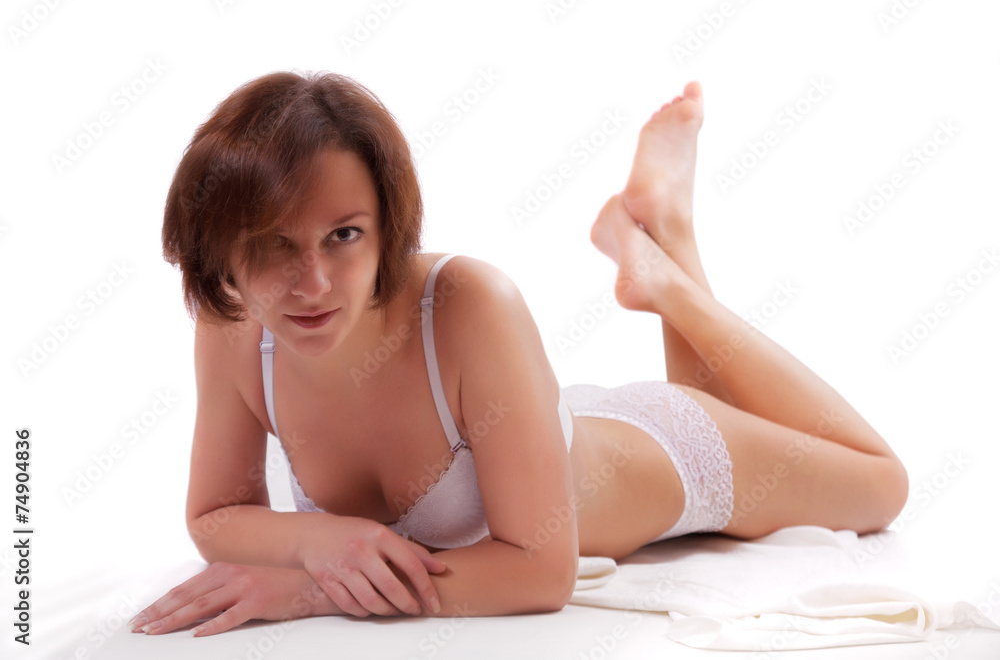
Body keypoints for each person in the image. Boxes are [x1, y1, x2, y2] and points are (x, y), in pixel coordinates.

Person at [130, 72, 908, 637]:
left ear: (387, 223)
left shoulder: (471, 302)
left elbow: (541, 571)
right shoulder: (234, 323)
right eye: (273, 244)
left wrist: (311, 591)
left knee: (880, 483)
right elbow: (213, 513)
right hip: (534, 431)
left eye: (344, 234)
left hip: (669, 452)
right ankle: (660, 228)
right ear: (221, 253)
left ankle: (668, 283)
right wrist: (320, 540)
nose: (314, 282)